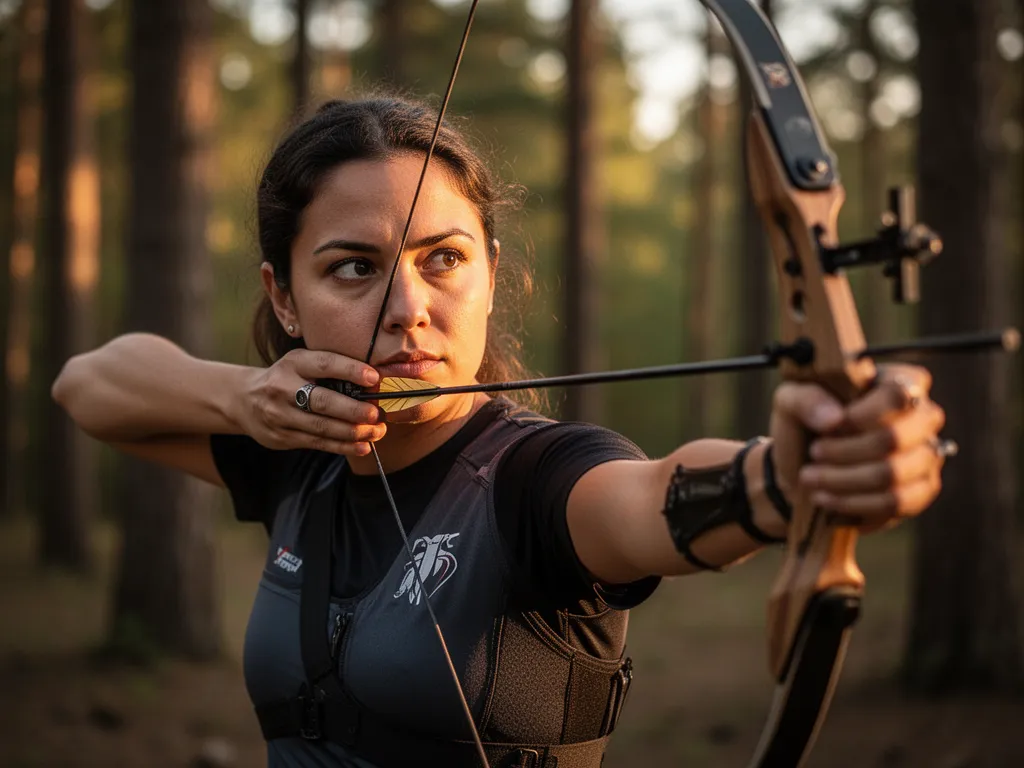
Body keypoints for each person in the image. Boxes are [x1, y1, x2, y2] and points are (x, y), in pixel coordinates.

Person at [52, 97, 949, 768]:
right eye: (353, 268)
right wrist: (247, 396)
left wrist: (786, 479)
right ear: (283, 296)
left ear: (490, 275)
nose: (409, 310)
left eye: (443, 258)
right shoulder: (299, 450)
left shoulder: (538, 478)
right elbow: (87, 384)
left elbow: (653, 502)